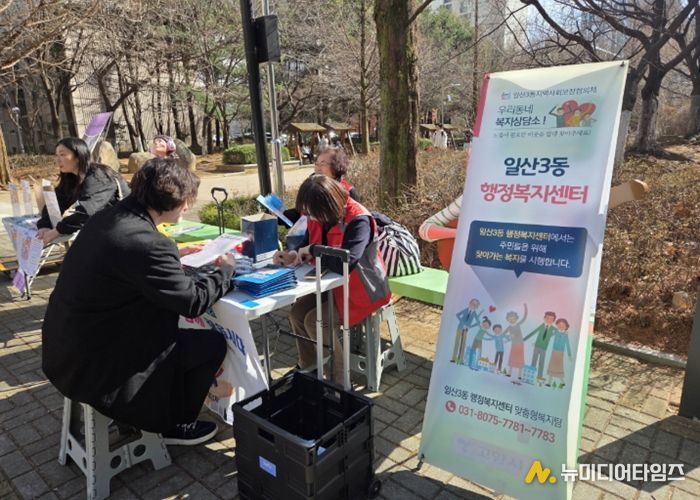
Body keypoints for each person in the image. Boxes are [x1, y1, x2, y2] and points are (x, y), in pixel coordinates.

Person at [42, 157, 235, 444]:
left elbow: (126, 259)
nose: (188, 207)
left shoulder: (106, 219)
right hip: (98, 365)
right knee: (210, 344)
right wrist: (226, 271)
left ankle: (156, 408)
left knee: (176, 333)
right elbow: (192, 303)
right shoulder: (148, 243)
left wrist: (175, 255)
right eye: (187, 200)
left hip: (64, 350)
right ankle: (176, 423)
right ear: (173, 199)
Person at [272, 175, 391, 384]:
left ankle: (339, 382)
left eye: (312, 213)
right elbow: (307, 242)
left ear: (327, 205)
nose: (310, 218)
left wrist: (313, 250)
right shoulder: (319, 215)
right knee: (296, 314)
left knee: (316, 322)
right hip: (332, 285)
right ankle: (309, 366)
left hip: (364, 290)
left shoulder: (359, 220)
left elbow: (347, 262)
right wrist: (293, 255)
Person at [35, 137, 130, 246]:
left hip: (128, 228)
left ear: (78, 156)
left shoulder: (98, 176)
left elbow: (86, 212)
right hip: (108, 228)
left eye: (62, 155)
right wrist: (44, 225)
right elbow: (56, 202)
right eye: (56, 155)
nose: (58, 160)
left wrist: (57, 231)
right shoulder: (71, 177)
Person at [281, 148, 361, 226]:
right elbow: (303, 214)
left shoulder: (348, 191)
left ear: (336, 166)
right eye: (316, 164)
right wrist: (281, 215)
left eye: (323, 164)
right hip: (312, 234)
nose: (318, 168)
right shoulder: (312, 187)